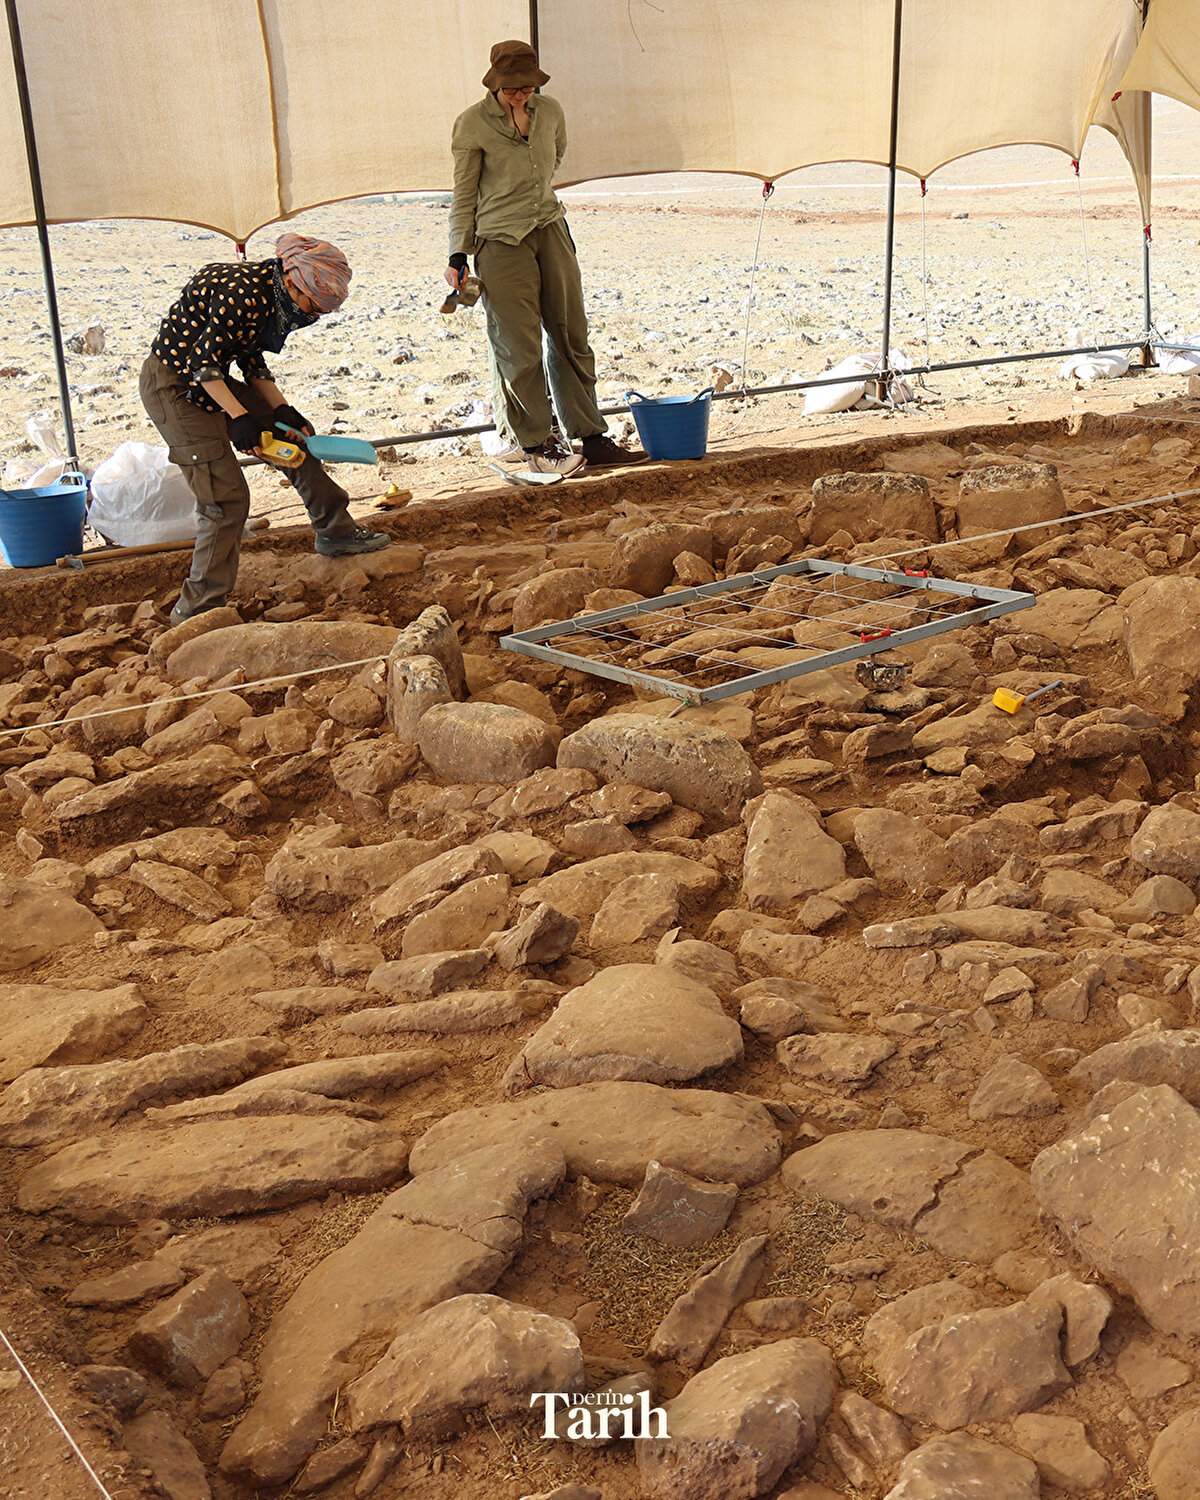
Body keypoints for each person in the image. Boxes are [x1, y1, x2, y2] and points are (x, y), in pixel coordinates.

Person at [141, 232, 388, 625]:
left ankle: (336, 532)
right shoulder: (244, 293)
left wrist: (283, 411)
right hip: (175, 387)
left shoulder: (270, 292)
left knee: (297, 441)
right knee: (225, 499)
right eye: (314, 306)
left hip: (210, 378)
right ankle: (197, 610)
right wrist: (241, 420)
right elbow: (202, 366)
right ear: (293, 282)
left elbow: (250, 361)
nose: (315, 315)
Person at [447, 39, 643, 476]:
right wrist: (458, 253)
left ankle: (590, 436)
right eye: (512, 88)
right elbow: (463, 194)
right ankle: (536, 443)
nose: (520, 94)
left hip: (550, 228)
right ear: (495, 83)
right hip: (499, 241)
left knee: (570, 331)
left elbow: (556, 156)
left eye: (527, 87)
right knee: (518, 345)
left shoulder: (550, 111)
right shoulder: (472, 124)